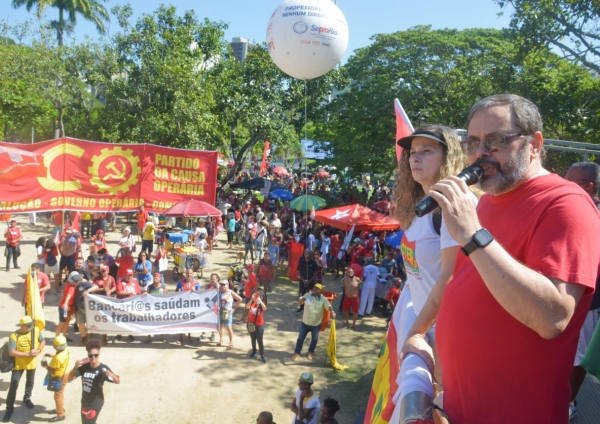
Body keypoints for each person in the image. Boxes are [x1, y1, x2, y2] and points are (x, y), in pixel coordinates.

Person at [402, 94, 600, 423]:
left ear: (534, 144)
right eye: (474, 142)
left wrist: (473, 235)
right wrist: (417, 333)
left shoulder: (567, 204)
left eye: (496, 141)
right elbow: (454, 282)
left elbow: (552, 318)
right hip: (460, 405)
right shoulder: (488, 201)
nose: (482, 152)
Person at [564, 161, 600, 419]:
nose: (563, 185)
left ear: (588, 186)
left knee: (578, 357)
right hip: (577, 297)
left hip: (588, 300)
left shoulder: (592, 214)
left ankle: (567, 404)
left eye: (570, 181)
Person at [3, 316, 46, 423]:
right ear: (22, 326)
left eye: (31, 324)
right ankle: (9, 408)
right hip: (19, 365)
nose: (30, 327)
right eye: (28, 325)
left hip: (32, 364)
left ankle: (27, 398)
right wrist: (27, 354)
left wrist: (38, 350)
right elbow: (11, 352)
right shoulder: (14, 335)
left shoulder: (35, 330)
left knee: (30, 382)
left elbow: (43, 341)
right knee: (14, 385)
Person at [68, 339, 120, 424]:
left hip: (96, 403)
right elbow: (69, 379)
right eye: (91, 355)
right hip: (85, 402)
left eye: (96, 355)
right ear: (88, 355)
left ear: (99, 355)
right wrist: (75, 368)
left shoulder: (103, 369)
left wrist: (111, 375)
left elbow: (118, 381)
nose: (93, 358)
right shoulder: (84, 367)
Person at [291, 283, 336, 361]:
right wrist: (301, 300)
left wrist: (332, 312)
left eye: (316, 288)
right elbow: (299, 302)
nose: (314, 289)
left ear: (320, 290)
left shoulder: (323, 298)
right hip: (305, 323)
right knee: (300, 338)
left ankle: (310, 352)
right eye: (314, 288)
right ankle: (297, 352)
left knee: (314, 339)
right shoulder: (308, 295)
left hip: (316, 324)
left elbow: (328, 306)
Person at [43, 335, 70, 423]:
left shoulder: (57, 359)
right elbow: (60, 356)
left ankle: (60, 415)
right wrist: (53, 356)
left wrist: (45, 365)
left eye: (53, 343)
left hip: (59, 376)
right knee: (61, 394)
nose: (52, 344)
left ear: (57, 346)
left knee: (58, 396)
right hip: (66, 373)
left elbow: (52, 371)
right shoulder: (66, 350)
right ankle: (60, 408)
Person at [175, 268, 200, 344]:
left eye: (190, 273)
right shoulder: (181, 282)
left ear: (193, 274)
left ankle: (189, 336)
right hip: (182, 305)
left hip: (191, 306)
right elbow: (176, 290)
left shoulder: (196, 283)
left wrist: (195, 291)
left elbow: (199, 294)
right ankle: (180, 337)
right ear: (185, 274)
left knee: (190, 321)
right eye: (187, 273)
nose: (189, 275)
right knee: (181, 321)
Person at [74, 272, 100, 346]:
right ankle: (84, 338)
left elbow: (96, 286)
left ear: (77, 281)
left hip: (88, 308)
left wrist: (88, 291)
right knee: (81, 324)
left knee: (92, 324)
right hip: (80, 308)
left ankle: (93, 338)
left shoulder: (84, 284)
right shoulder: (73, 286)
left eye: (74, 282)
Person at [218, 278, 242, 350]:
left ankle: (231, 343)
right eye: (221, 285)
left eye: (224, 284)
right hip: (221, 311)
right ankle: (221, 339)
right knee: (220, 326)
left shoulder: (230, 292)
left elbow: (240, 299)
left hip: (228, 312)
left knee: (228, 327)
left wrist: (234, 308)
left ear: (227, 285)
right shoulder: (220, 292)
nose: (222, 286)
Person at [246, 290, 267, 363]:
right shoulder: (251, 303)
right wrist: (252, 299)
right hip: (251, 324)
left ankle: (262, 355)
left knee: (259, 340)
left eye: (256, 296)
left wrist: (260, 301)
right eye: (254, 295)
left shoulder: (261, 304)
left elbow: (265, 308)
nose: (255, 297)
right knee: (253, 339)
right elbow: (246, 307)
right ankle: (254, 351)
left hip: (259, 325)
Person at [145, 273, 167, 343]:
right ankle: (149, 336)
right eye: (154, 278)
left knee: (161, 323)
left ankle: (161, 336)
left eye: (156, 278)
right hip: (151, 308)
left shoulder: (164, 287)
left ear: (160, 279)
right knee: (150, 323)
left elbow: (167, 298)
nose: (155, 279)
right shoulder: (150, 287)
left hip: (160, 308)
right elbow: (146, 296)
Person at [56, 273, 78, 341]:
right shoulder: (72, 288)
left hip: (66, 307)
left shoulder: (68, 284)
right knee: (62, 323)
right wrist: (65, 304)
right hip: (65, 308)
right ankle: (56, 338)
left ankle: (64, 337)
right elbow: (69, 296)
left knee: (66, 323)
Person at [296, 249, 318, 313]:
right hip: (302, 281)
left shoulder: (313, 262)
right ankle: (302, 307)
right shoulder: (301, 261)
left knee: (310, 295)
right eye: (305, 252)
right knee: (303, 294)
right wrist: (303, 280)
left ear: (310, 254)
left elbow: (315, 272)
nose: (307, 253)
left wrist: (310, 280)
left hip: (310, 282)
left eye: (308, 252)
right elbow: (299, 272)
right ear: (304, 253)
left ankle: (308, 307)